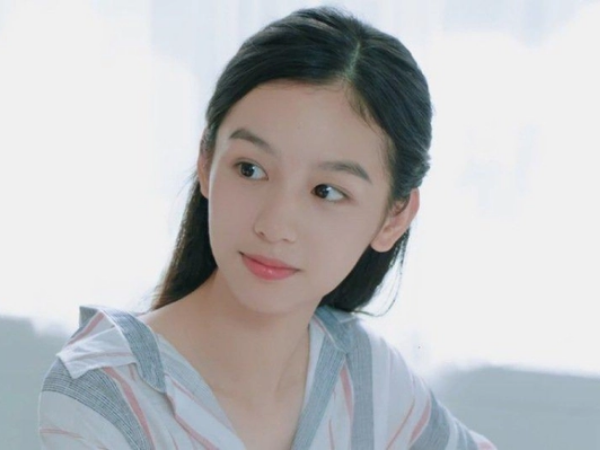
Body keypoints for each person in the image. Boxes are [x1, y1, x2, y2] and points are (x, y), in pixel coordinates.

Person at [38, 6, 496, 450]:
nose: (275, 225)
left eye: (326, 192)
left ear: (394, 218)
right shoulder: (105, 390)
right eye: (250, 169)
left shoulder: (369, 376)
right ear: (206, 162)